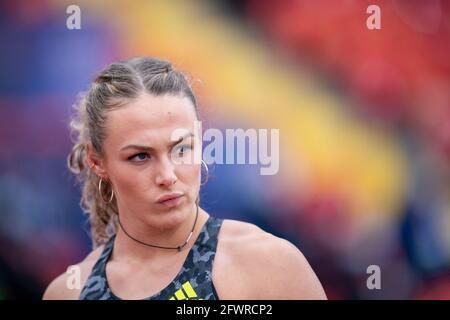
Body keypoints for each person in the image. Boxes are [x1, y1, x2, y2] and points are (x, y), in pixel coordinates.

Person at [43, 56, 327, 300]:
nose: (167, 176)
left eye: (181, 149)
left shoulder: (266, 264)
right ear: (97, 161)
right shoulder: (70, 291)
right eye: (140, 156)